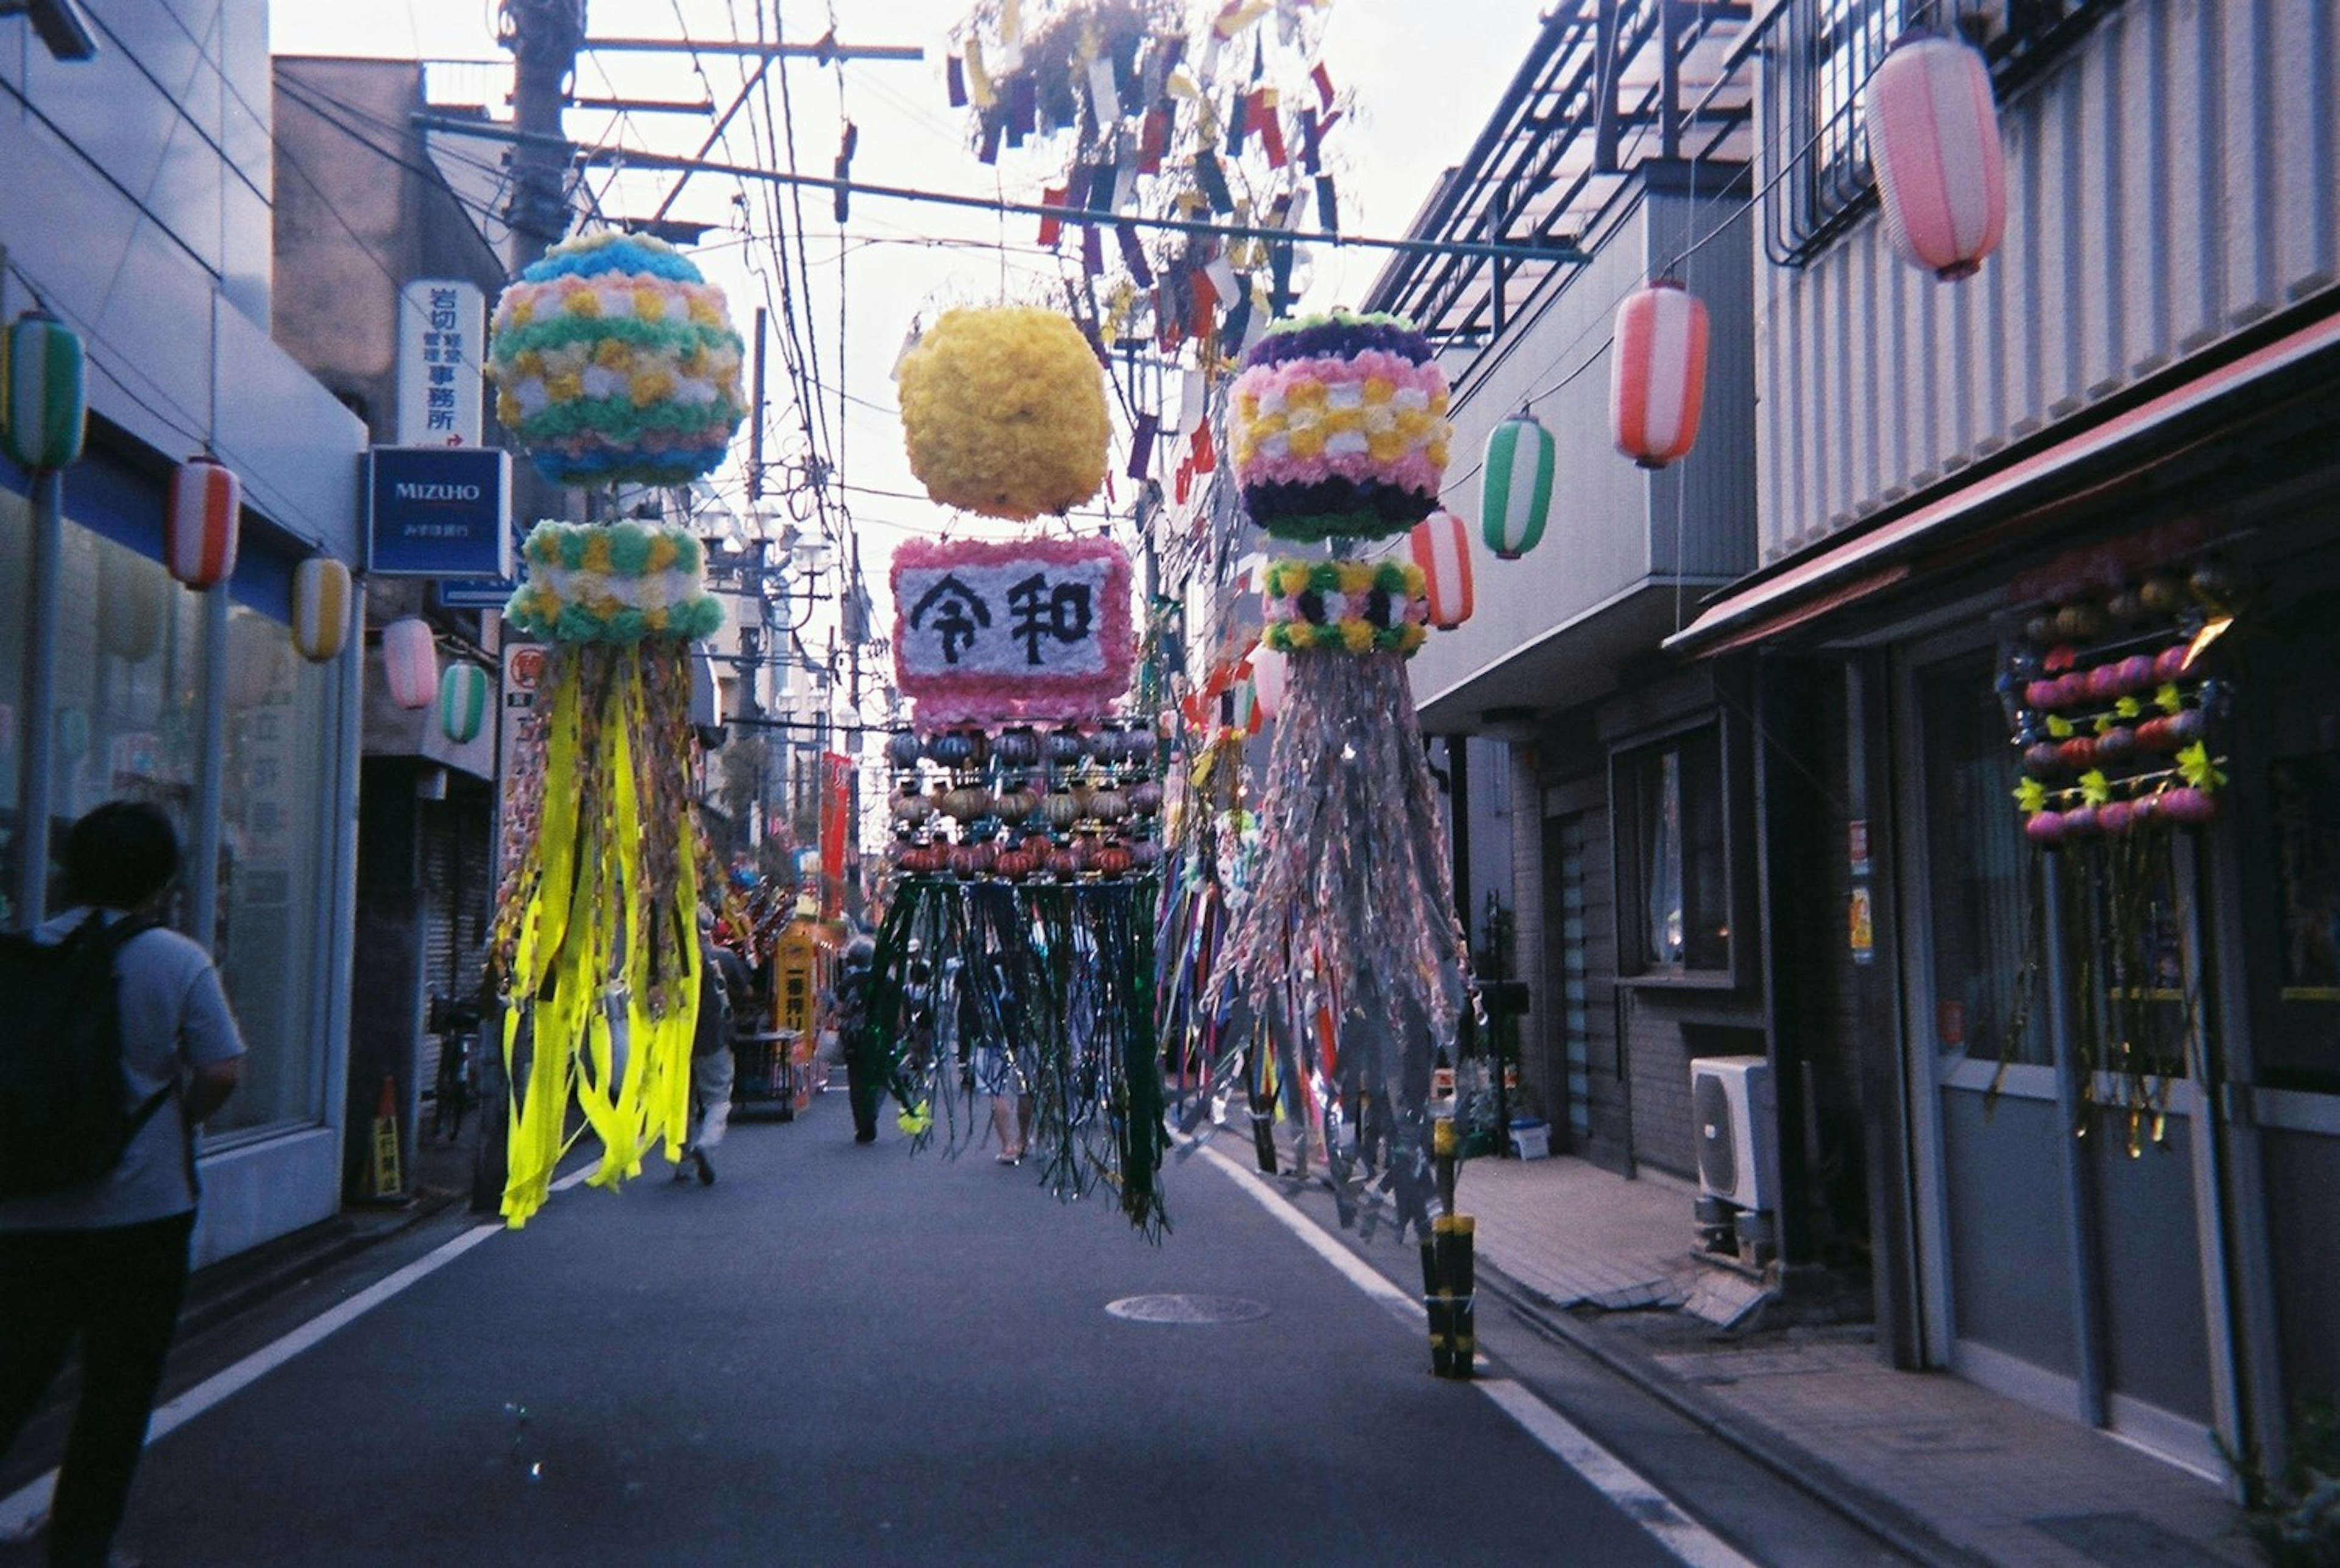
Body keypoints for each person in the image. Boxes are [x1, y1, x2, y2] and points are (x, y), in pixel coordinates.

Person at [0, 801, 245, 1568]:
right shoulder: (174, 959)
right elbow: (221, 1068)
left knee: (13, 1375)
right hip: (142, 1212)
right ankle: (80, 1544)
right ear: (161, 879)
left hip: (26, 1208)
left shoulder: (26, 950)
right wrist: (174, 1121)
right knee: (118, 1385)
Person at [676, 913, 753, 1187]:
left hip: (675, 1040)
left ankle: (681, 1159)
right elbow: (747, 992)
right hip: (714, 1035)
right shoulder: (725, 957)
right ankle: (706, 1144)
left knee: (680, 1102)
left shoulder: (672, 961)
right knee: (717, 1097)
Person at [836, 934, 881, 1143]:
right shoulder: (884, 981)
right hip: (880, 1037)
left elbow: (841, 1010)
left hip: (853, 1039)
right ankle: (871, 1114)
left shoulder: (847, 984)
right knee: (879, 1077)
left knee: (856, 1081)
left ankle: (861, 1124)